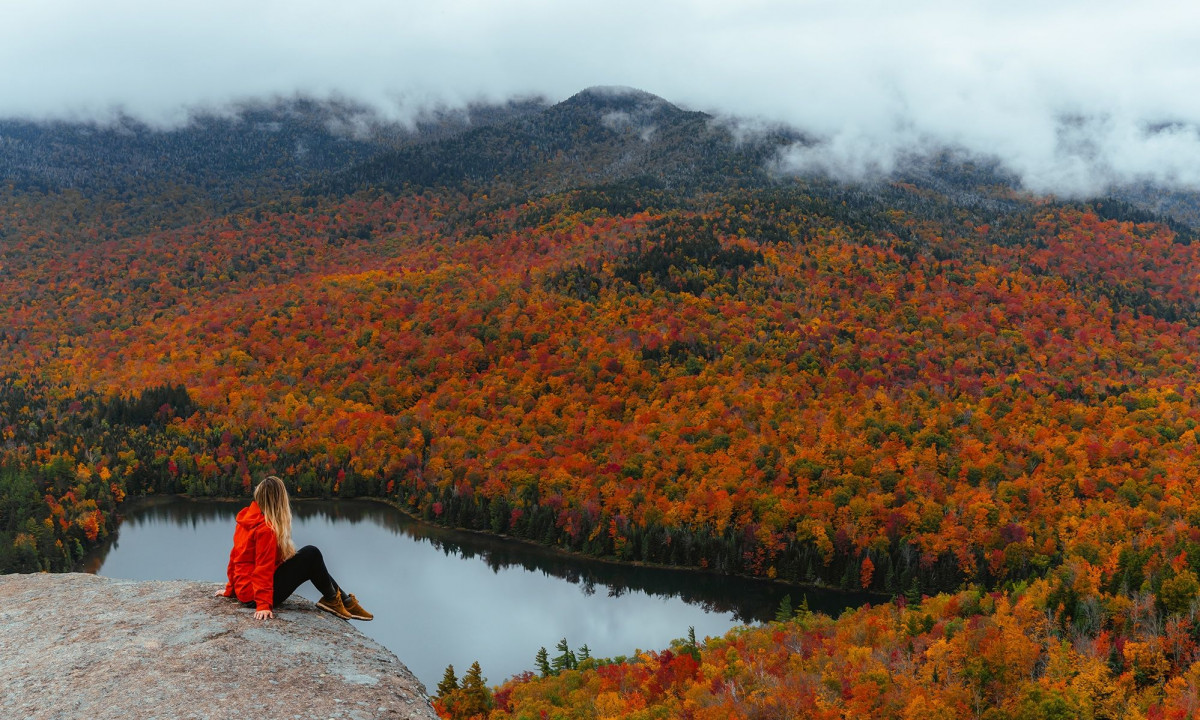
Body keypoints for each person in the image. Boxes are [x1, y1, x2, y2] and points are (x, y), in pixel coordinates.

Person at [215, 475, 373, 622]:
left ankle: (344, 601)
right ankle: (334, 600)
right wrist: (263, 604)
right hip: (254, 597)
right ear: (279, 500)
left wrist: (231, 589)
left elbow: (235, 557)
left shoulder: (247, 518)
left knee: (309, 558)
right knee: (311, 554)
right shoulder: (265, 529)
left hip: (246, 591)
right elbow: (263, 568)